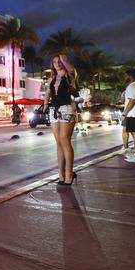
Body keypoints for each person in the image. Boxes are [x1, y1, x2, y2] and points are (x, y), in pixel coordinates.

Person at [45, 54, 78, 185]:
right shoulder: (51, 79)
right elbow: (48, 92)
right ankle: (61, 175)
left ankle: (69, 174)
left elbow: (72, 71)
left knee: (65, 140)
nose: (57, 63)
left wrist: (65, 60)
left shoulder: (69, 76)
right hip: (54, 110)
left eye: (59, 61)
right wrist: (45, 103)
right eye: (54, 62)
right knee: (59, 142)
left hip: (67, 108)